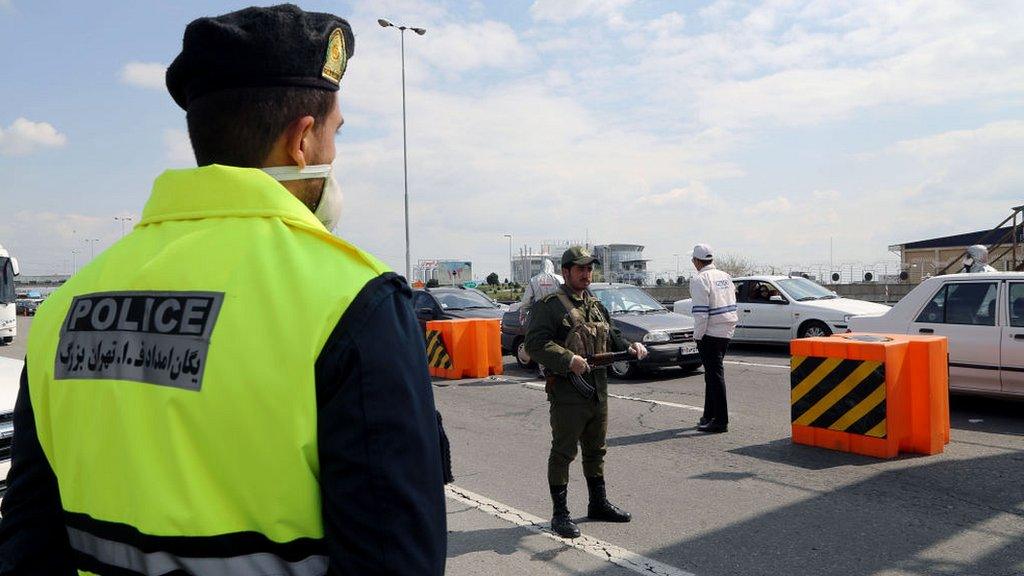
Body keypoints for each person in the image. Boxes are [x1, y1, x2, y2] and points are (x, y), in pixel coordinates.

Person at [0, 6, 446, 575]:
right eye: (335, 134)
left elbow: (27, 543)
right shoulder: (355, 301)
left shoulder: (68, 306)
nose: (335, 155)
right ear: (302, 141)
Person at [525, 246, 648, 539]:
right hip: (568, 391)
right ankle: (560, 514)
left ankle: (598, 503)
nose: (586, 274)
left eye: (589, 269)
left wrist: (631, 347)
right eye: (580, 269)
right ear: (565, 272)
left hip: (598, 388)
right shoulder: (550, 306)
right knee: (564, 451)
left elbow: (612, 332)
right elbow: (534, 344)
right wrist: (568, 359)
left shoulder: (595, 303)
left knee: (596, 450)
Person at [689, 243, 738, 434]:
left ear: (696, 261)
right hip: (727, 329)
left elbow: (701, 314)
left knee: (715, 376)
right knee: (712, 375)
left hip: (710, 332)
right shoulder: (725, 276)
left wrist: (698, 336)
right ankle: (708, 415)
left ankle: (720, 420)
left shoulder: (700, 279)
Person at [520, 258, 564, 377]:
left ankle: (543, 371)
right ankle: (557, 368)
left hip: (540, 315)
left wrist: (523, 312)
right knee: (557, 341)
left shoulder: (534, 280)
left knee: (541, 342)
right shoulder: (559, 279)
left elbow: (526, 300)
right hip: (557, 314)